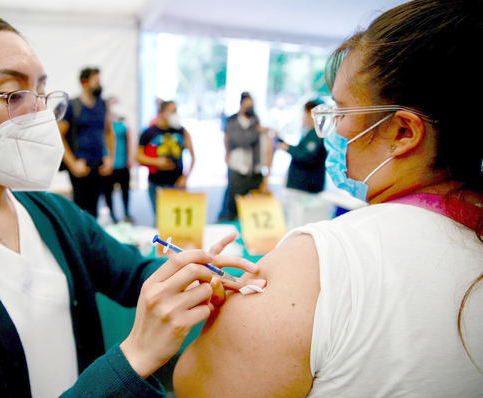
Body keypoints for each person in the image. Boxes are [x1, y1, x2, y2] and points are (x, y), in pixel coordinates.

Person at [0, 12, 264, 397]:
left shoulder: (50, 214)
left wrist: (195, 271)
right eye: (10, 94)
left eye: (40, 92)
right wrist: (136, 355)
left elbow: (132, 272)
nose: (39, 113)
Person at [174, 1, 483, 396]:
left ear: (403, 132)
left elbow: (197, 385)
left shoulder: (321, 261)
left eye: (341, 110)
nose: (332, 129)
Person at [58, 67, 114, 218]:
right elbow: (59, 136)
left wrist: (110, 158)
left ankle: (91, 239)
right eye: (96, 81)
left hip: (98, 164)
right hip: (80, 164)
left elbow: (109, 132)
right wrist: (72, 163)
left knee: (94, 208)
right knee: (79, 208)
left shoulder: (103, 104)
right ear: (84, 82)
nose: (99, 85)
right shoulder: (72, 106)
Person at [217, 91, 273, 221]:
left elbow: (267, 148)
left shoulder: (256, 121)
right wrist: (258, 130)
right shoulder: (233, 122)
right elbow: (241, 140)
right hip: (238, 171)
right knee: (232, 206)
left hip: (255, 172)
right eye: (248, 107)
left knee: (254, 208)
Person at [137, 100, 195, 215]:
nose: (175, 114)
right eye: (172, 111)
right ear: (162, 112)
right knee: (160, 218)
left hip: (176, 182)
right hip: (156, 182)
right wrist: (157, 162)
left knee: (175, 218)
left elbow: (193, 156)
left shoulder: (181, 131)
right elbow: (138, 156)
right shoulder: (149, 133)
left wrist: (185, 177)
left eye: (176, 111)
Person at [276, 99, 327, 193]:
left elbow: (305, 156)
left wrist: (287, 148)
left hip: (306, 187)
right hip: (302, 187)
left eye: (305, 114)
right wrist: (280, 140)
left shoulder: (316, 135)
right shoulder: (309, 133)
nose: (303, 117)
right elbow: (301, 150)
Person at [102, 97, 134, 223]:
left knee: (125, 190)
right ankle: (113, 215)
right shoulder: (105, 123)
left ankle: (126, 212)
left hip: (122, 162)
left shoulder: (124, 123)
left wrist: (130, 158)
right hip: (109, 163)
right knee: (108, 191)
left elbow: (130, 141)